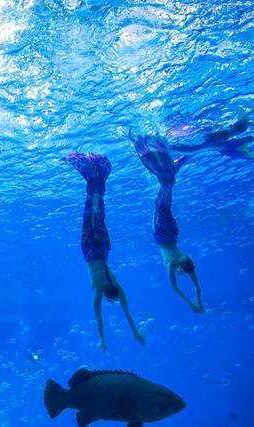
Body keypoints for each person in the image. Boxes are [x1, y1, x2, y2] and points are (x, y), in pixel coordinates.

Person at [64, 153, 145, 352]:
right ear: (107, 296)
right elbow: (98, 317)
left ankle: (98, 179)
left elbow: (127, 312)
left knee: (99, 214)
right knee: (89, 214)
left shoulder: (117, 286)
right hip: (91, 249)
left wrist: (136, 331)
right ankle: (92, 178)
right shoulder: (100, 290)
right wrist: (102, 340)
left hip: (104, 247)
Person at [131, 132, 204, 313]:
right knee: (161, 202)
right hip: (161, 235)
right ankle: (167, 171)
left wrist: (199, 302)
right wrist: (191, 304)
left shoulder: (187, 260)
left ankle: (177, 164)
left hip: (173, 233)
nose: (182, 275)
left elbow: (197, 286)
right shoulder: (173, 265)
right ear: (181, 268)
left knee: (165, 205)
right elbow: (175, 288)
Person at [169, 116, 254, 160]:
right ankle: (169, 149)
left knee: (189, 149)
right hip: (205, 141)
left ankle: (170, 148)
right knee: (190, 150)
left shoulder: (223, 128)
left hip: (204, 139)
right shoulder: (225, 134)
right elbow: (250, 138)